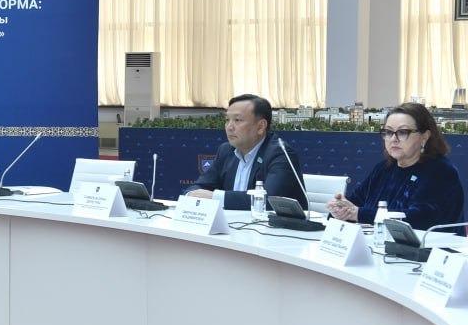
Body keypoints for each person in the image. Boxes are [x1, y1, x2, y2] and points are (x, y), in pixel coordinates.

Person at [326, 102, 464, 231]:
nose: (393, 139)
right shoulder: (384, 169)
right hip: (377, 243)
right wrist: (340, 208)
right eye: (388, 132)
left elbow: (419, 219)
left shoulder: (441, 172)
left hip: (428, 247)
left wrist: (358, 214)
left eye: (402, 132)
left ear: (424, 137)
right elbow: (356, 203)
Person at [186, 93, 307, 209]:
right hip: (234, 222)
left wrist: (215, 197)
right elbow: (200, 186)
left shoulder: (280, 154)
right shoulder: (226, 151)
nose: (229, 127)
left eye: (237, 120)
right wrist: (191, 195)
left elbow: (269, 200)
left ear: (261, 126)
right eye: (227, 120)